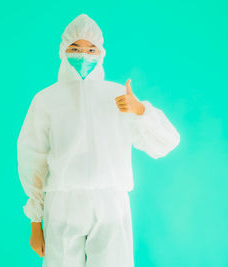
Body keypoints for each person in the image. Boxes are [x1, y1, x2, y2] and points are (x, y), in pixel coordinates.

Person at [16, 13, 180, 267]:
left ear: (101, 52)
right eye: (76, 47)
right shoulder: (46, 100)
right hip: (62, 205)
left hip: (110, 204)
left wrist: (141, 112)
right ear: (63, 51)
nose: (84, 54)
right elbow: (32, 158)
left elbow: (167, 142)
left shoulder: (118, 97)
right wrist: (35, 221)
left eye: (91, 48)